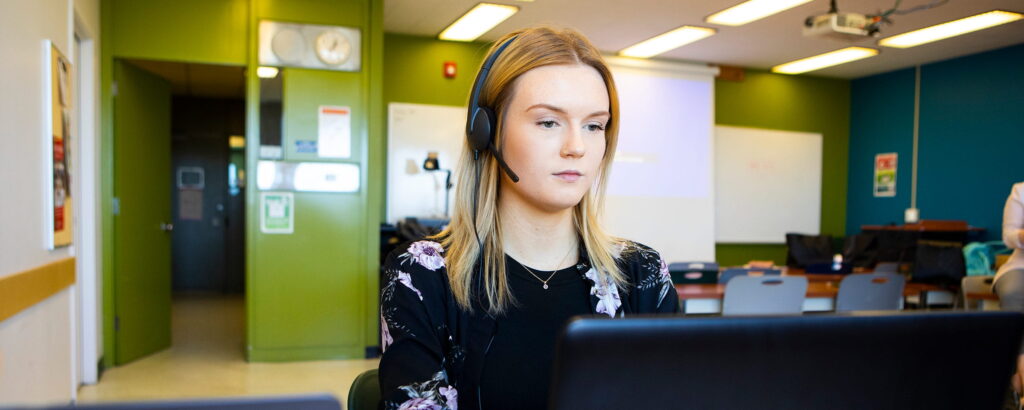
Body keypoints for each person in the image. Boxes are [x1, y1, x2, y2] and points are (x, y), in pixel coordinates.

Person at [377, 26, 680, 410]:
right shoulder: (422, 276)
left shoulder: (642, 273)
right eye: (548, 122)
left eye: (594, 125)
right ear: (486, 133)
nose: (577, 147)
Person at [994, 182, 1024, 405]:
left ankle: (1018, 382)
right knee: (1015, 293)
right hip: (1020, 268)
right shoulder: (1020, 191)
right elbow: (1008, 236)